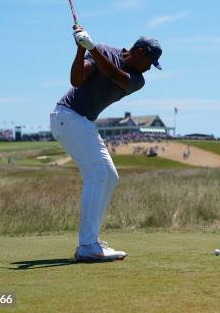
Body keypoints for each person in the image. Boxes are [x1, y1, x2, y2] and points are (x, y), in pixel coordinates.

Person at [49, 25, 162, 262]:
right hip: (67, 116)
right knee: (98, 174)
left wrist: (91, 47)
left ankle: (91, 241)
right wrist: (81, 49)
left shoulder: (137, 80)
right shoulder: (102, 50)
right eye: (149, 62)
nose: (149, 68)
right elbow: (76, 79)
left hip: (81, 121)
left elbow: (113, 75)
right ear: (139, 51)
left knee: (109, 176)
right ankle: (88, 245)